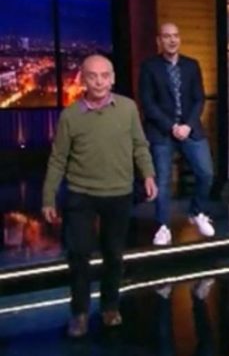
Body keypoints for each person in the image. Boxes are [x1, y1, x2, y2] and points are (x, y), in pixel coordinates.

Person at [42, 54, 158, 338]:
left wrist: (148, 174)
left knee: (114, 254)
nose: (99, 81)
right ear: (83, 79)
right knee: (79, 255)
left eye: (105, 75)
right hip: (81, 194)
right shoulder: (70, 116)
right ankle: (80, 314)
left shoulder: (128, 108)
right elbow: (58, 159)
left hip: (119, 192)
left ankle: (110, 307)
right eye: (93, 76)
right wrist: (48, 197)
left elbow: (139, 145)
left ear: (113, 78)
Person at [139, 22, 215, 246]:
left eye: (175, 36)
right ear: (159, 41)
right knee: (163, 181)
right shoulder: (149, 67)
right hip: (162, 131)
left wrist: (188, 126)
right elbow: (148, 103)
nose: (172, 40)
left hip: (190, 128)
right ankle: (163, 226)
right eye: (167, 36)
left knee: (206, 173)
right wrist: (171, 126)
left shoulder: (192, 65)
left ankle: (197, 212)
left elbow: (199, 99)